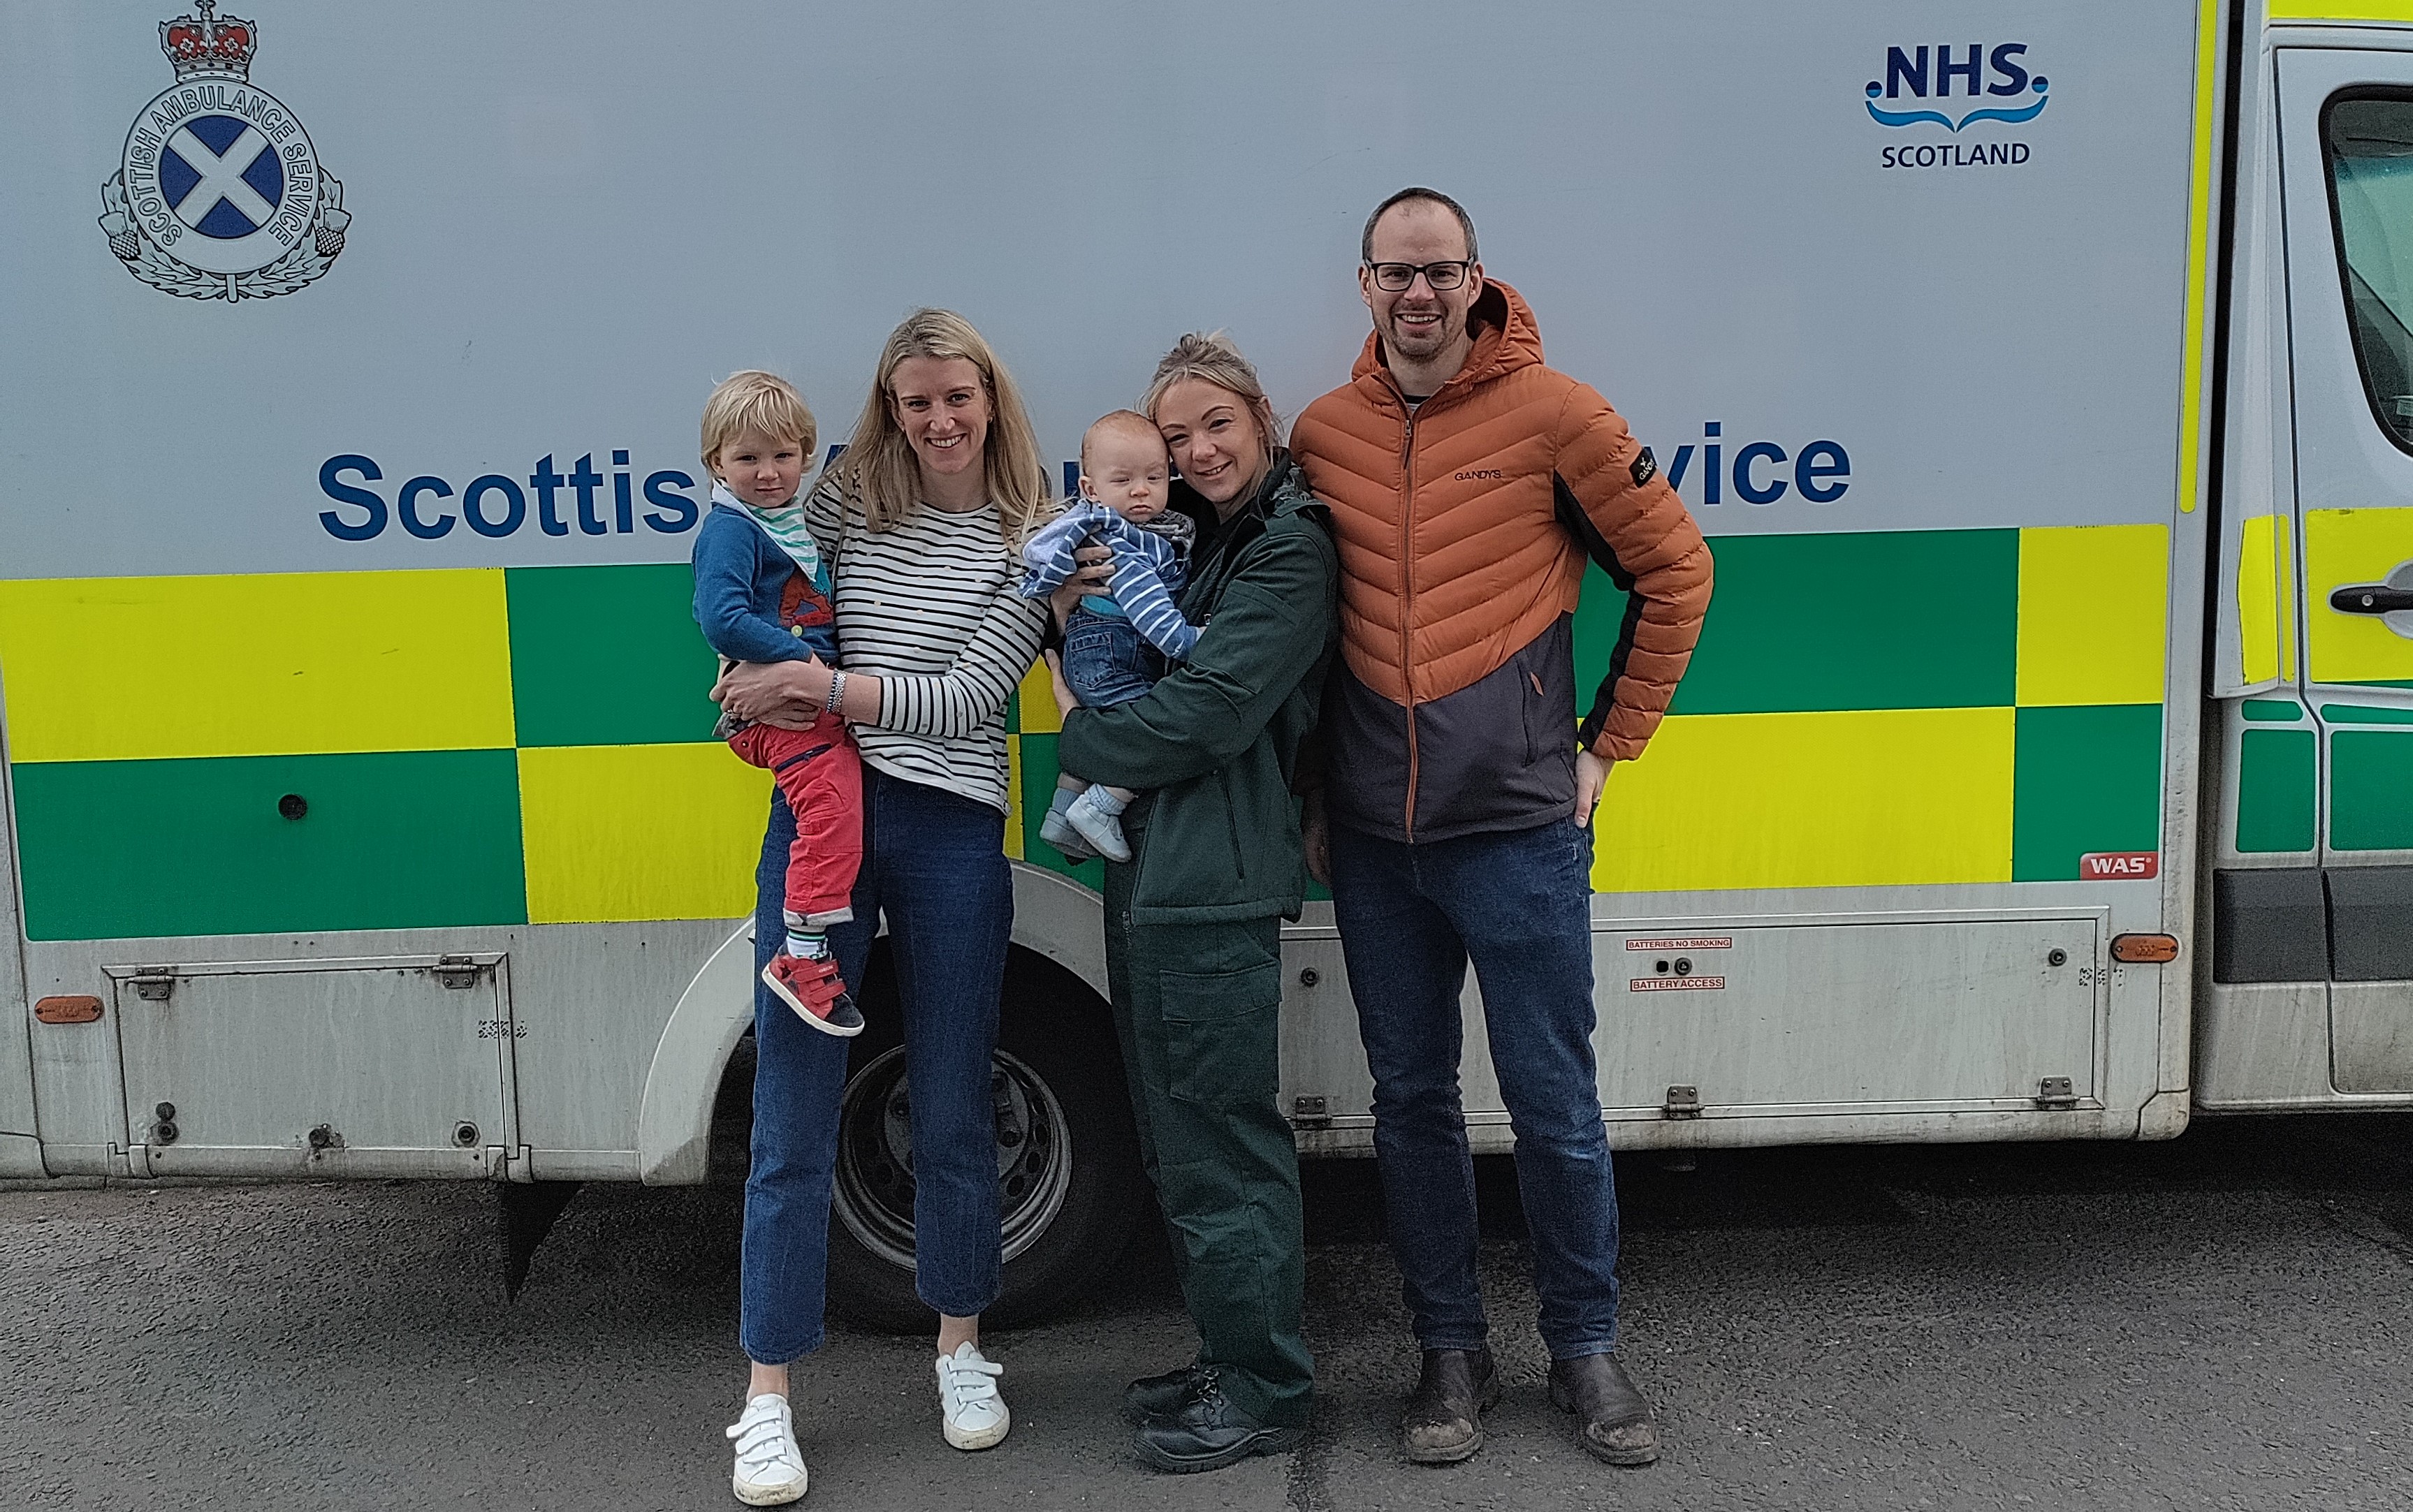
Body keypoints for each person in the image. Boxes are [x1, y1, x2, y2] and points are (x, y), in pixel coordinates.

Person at [1290, 188, 1713, 1470]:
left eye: (1439, 272)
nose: (1416, 295)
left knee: (1552, 1103)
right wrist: (1313, 793)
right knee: (1410, 1102)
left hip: (1519, 830)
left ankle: (1583, 1348)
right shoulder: (1321, 433)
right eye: (1393, 274)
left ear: (1476, 280)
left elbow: (1676, 571)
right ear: (1362, 285)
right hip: (1373, 840)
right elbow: (1298, 635)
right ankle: (1448, 1351)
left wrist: (1602, 750)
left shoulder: (1557, 415)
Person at [710, 309, 1053, 1504]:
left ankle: (960, 1348)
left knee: (955, 1097)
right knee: (792, 1113)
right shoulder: (848, 504)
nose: (939, 420)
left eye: (957, 397)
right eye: (915, 403)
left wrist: (811, 684)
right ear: (889, 410)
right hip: (822, 828)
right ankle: (765, 1397)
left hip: (953, 830)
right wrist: (746, 685)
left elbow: (968, 701)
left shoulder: (1032, 531)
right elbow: (758, 572)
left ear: (989, 398)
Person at [1045, 333, 1337, 1474]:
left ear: (1260, 420)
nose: (1196, 450)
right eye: (1172, 438)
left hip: (1209, 884)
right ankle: (1228, 1353)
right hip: (1160, 873)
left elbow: (1211, 714)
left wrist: (1075, 733)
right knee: (1178, 1139)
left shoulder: (1287, 549)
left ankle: (1264, 1390)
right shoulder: (1200, 545)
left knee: (1218, 1140)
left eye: (1215, 424)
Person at [690, 370, 864, 1036]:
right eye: (747, 459)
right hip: (783, 707)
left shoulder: (784, 521)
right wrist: (807, 667)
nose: (768, 473)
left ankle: (808, 948)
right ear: (716, 464)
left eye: (783, 456)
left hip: (803, 698)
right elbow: (721, 617)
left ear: (806, 457)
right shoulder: (732, 532)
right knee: (833, 802)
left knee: (837, 801)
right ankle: (802, 953)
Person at [1019, 410, 1197, 862]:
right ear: (1089, 489)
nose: (1141, 490)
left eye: (1155, 476)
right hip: (1113, 653)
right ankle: (1102, 804)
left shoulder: (1137, 527)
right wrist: (1190, 640)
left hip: (1092, 652)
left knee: (1103, 727)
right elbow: (1153, 616)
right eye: (1124, 480)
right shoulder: (1125, 543)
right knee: (1153, 732)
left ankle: (1063, 813)